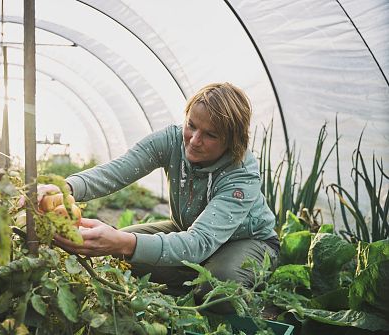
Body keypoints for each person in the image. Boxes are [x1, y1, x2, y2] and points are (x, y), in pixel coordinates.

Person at [54, 83, 279, 312]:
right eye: (191, 125)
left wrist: (124, 243)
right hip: (185, 229)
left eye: (210, 135)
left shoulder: (241, 175)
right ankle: (192, 278)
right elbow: (118, 170)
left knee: (220, 287)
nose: (194, 140)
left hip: (247, 241)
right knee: (120, 256)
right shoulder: (172, 140)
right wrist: (64, 188)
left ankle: (229, 280)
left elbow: (199, 242)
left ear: (232, 140)